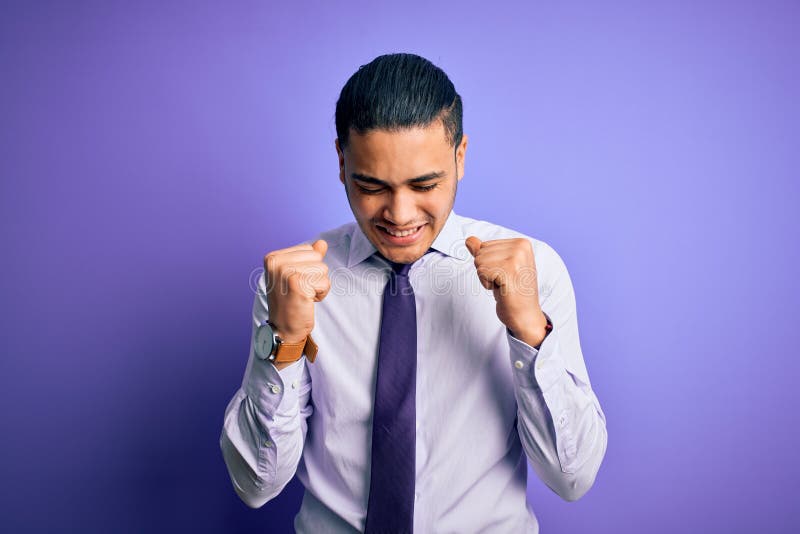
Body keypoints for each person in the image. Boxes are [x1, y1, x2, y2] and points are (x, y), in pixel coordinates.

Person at [220, 52, 607, 533]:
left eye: (424, 184)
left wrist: (529, 329)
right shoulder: (291, 285)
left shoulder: (535, 271)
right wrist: (283, 343)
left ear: (460, 157)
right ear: (342, 163)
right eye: (371, 186)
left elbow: (573, 477)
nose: (400, 215)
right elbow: (255, 486)